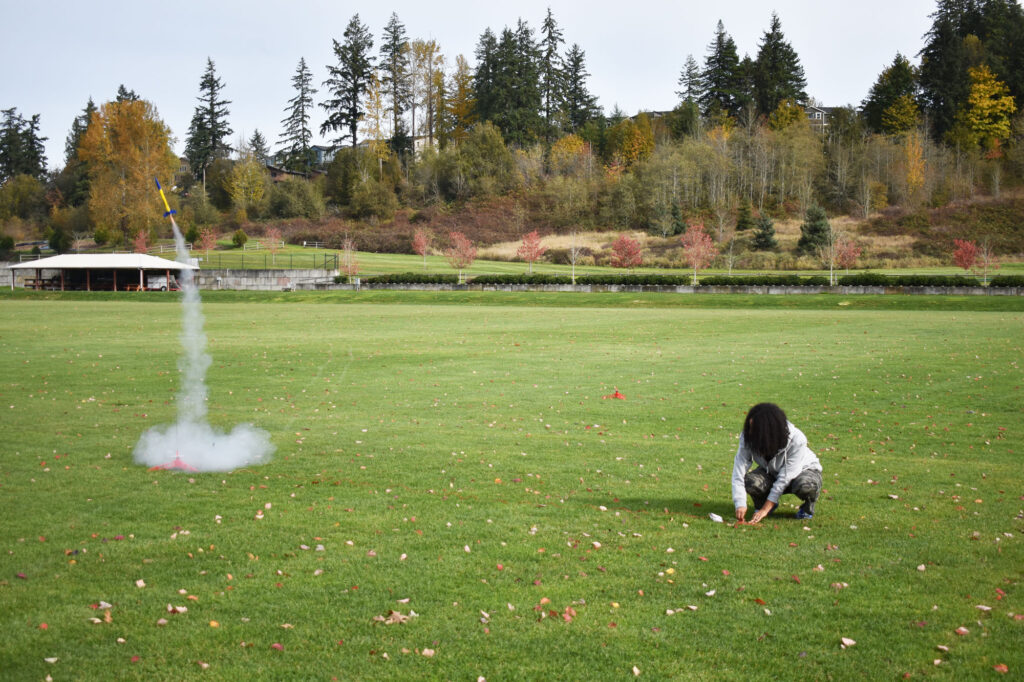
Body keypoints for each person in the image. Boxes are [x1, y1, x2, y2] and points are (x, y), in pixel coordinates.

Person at [731, 403, 823, 524]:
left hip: (802, 471)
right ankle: (764, 504)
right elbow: (739, 470)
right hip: (771, 471)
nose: (751, 431)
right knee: (750, 481)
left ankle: (807, 508)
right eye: (750, 426)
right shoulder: (748, 436)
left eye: (755, 428)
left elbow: (785, 477)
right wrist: (740, 503)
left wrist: (765, 509)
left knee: (805, 485)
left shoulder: (797, 439)